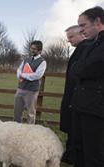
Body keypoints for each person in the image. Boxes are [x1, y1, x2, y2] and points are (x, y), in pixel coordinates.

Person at [70, 6, 104, 167]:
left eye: (83, 25)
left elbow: (84, 68)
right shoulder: (92, 44)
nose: (81, 30)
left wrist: (79, 68)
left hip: (96, 110)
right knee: (80, 150)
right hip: (84, 106)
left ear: (97, 21)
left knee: (93, 155)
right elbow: (76, 68)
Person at [60, 25, 86, 165]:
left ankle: (73, 155)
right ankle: (70, 153)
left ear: (82, 34)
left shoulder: (86, 50)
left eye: (71, 37)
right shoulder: (79, 51)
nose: (69, 41)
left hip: (78, 97)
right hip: (71, 96)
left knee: (76, 129)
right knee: (71, 127)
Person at [13, 40, 46, 124]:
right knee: (17, 111)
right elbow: (19, 70)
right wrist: (19, 75)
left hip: (31, 91)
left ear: (40, 51)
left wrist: (23, 75)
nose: (32, 50)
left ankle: (30, 131)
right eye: (31, 48)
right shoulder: (26, 59)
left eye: (34, 49)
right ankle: (16, 129)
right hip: (20, 88)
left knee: (31, 113)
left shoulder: (42, 62)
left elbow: (37, 75)